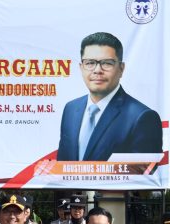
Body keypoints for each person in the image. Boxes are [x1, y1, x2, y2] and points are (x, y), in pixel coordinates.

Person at [57, 32, 161, 160]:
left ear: (121, 69)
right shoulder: (71, 109)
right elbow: (62, 164)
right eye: (90, 63)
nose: (97, 70)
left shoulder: (143, 117)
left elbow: (144, 176)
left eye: (107, 63)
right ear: (81, 67)